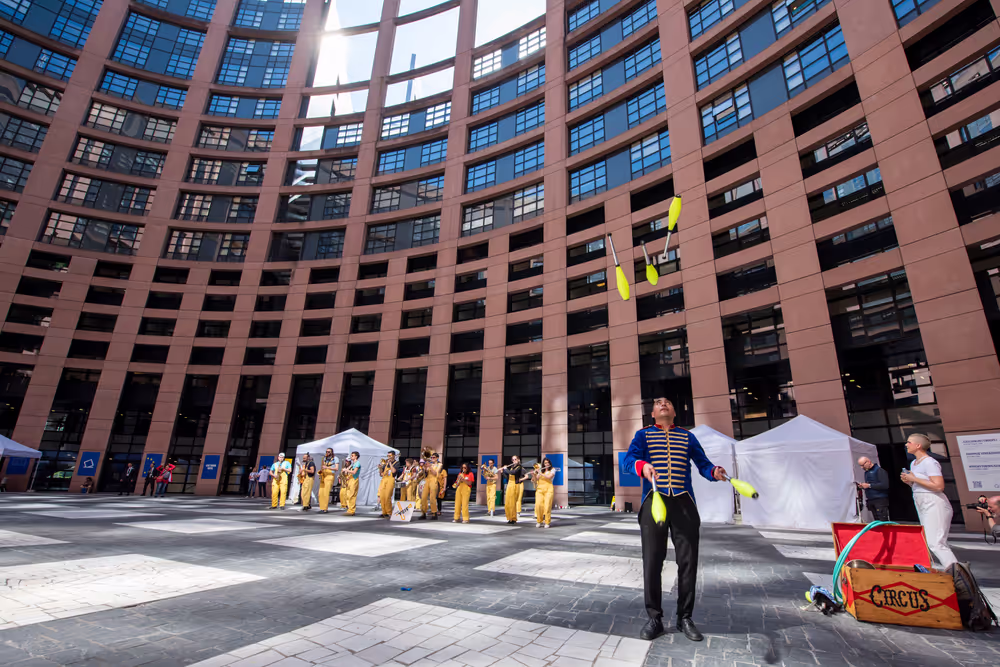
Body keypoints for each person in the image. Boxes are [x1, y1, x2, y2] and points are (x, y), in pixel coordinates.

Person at [623, 397, 727, 642]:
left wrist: (714, 472)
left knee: (688, 562)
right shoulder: (643, 435)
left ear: (674, 412)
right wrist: (642, 466)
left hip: (684, 503)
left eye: (668, 402)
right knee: (652, 561)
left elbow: (702, 463)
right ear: (652, 413)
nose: (664, 404)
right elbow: (628, 461)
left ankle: (685, 618)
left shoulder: (688, 436)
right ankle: (654, 618)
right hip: (654, 500)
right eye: (658, 403)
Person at [900, 433, 957, 569]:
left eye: (909, 442)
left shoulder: (930, 462)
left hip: (934, 502)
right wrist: (909, 482)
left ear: (918, 445)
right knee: (931, 541)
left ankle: (959, 576)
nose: (906, 445)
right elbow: (920, 485)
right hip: (921, 500)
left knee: (936, 543)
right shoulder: (913, 463)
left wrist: (915, 479)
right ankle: (953, 572)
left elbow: (938, 486)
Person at [857, 456, 890, 521]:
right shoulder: (867, 472)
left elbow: (885, 485)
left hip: (880, 499)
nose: (862, 467)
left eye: (863, 465)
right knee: (876, 520)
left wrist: (869, 485)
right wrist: (863, 486)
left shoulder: (879, 470)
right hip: (871, 499)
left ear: (869, 462)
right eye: (860, 466)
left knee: (882, 519)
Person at [531, 459, 556, 528]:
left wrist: (540, 472)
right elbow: (536, 480)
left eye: (548, 463)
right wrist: (534, 474)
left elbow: (549, 477)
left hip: (548, 489)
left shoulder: (552, 470)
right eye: (545, 463)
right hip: (540, 489)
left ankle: (547, 522)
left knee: (547, 506)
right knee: (538, 505)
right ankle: (539, 521)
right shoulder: (541, 470)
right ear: (543, 464)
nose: (546, 464)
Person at [419, 453, 443, 520]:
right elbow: (426, 472)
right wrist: (424, 467)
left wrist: (430, 467)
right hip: (427, 480)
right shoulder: (430, 464)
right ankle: (423, 512)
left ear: (437, 458)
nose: (432, 458)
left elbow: (435, 473)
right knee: (423, 497)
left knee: (432, 498)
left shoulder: (439, 464)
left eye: (434, 457)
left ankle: (434, 513)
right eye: (431, 457)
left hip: (434, 480)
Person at [501, 456, 524, 524]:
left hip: (515, 485)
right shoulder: (511, 468)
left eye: (515, 459)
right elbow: (508, 477)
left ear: (518, 460)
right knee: (508, 502)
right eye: (513, 460)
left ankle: (514, 518)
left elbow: (513, 473)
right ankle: (509, 518)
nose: (514, 461)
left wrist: (505, 469)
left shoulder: (519, 467)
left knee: (513, 502)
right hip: (509, 485)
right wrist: (503, 472)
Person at [318, 448, 339, 513]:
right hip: (323, 475)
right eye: (326, 451)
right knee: (320, 493)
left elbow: (336, 468)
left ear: (332, 452)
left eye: (329, 452)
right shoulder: (324, 458)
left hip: (330, 475)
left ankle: (325, 508)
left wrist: (327, 467)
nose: (327, 453)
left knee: (326, 493)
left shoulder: (335, 458)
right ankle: (321, 508)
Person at [378, 453, 397, 518]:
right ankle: (383, 512)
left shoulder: (396, 463)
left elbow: (394, 471)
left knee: (387, 497)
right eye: (388, 456)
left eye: (390, 456)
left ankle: (388, 512)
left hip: (390, 481)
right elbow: (381, 474)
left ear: (394, 456)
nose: (388, 457)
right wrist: (380, 468)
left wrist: (390, 463)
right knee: (382, 497)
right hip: (384, 480)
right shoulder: (385, 464)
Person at [344, 451, 361, 516]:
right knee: (348, 495)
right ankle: (349, 509)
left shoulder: (357, 463)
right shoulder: (352, 464)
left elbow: (354, 472)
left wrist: (346, 470)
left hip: (354, 480)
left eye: (352, 456)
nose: (351, 457)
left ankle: (352, 510)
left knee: (352, 495)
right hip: (350, 479)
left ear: (356, 456)